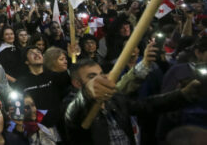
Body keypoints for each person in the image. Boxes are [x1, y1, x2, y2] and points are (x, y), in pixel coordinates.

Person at [64, 59, 203, 145]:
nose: (100, 79)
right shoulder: (70, 104)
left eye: (101, 74)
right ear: (77, 83)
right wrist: (88, 92)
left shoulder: (114, 99)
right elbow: (73, 111)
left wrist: (182, 95)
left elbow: (147, 105)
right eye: (92, 77)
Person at [15, 46, 70, 130]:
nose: (36, 53)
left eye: (38, 52)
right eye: (31, 53)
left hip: (59, 126)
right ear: (26, 61)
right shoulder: (21, 83)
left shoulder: (55, 76)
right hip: (35, 128)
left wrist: (72, 57)